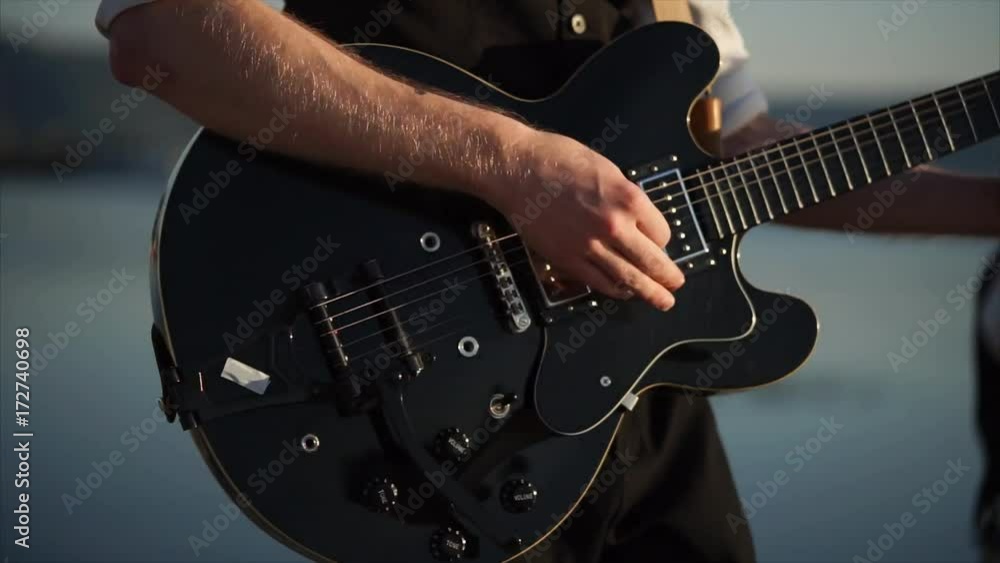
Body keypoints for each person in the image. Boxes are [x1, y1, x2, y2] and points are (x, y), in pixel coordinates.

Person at [96, 1, 999, 561]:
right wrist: (512, 163)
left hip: (650, 423)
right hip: (421, 418)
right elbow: (165, 30)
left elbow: (739, 149)